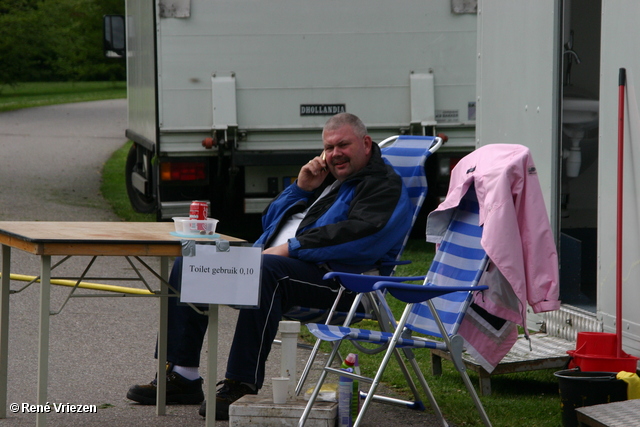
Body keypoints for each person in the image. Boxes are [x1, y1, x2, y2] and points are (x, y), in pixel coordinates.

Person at [126, 112, 413, 420]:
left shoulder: (384, 185)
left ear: (366, 144)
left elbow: (362, 236)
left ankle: (240, 383)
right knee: (192, 259)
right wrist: (301, 189)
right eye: (328, 148)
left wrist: (290, 249)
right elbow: (270, 221)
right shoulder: (333, 182)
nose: (334, 154)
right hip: (287, 264)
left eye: (343, 145)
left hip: (343, 284)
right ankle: (183, 375)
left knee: (268, 274)